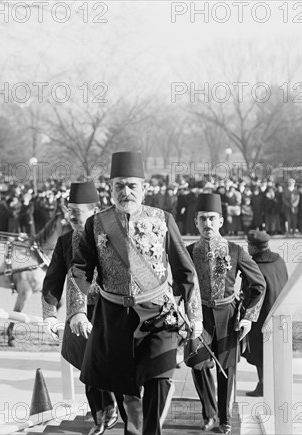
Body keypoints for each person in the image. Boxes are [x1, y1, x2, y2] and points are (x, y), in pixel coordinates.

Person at [71, 151, 203, 435]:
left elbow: (185, 271)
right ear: (111, 188)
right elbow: (80, 269)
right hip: (113, 316)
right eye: (119, 185)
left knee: (159, 377)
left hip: (158, 314)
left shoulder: (163, 219)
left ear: (144, 189)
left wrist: (195, 316)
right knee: (125, 388)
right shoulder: (95, 223)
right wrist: (78, 310)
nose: (126, 191)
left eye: (132, 185)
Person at [42, 182, 123, 435]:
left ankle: (120, 413)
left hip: (111, 310)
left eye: (77, 211)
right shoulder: (66, 241)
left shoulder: (114, 236)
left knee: (113, 365)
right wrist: (49, 315)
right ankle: (100, 416)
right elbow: (53, 280)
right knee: (87, 367)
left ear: (95, 209)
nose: (72, 216)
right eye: (69, 211)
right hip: (81, 314)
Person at [185, 193, 266, 434]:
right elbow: (181, 286)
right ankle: (208, 414)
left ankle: (225, 417)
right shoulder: (188, 251)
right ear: (196, 222)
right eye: (202, 219)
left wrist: (248, 318)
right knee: (197, 364)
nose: (207, 224)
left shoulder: (236, 250)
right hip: (199, 315)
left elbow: (258, 284)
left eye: (211, 218)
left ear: (221, 221)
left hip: (228, 315)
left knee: (226, 368)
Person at [242, 230, 288, 397]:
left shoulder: (254, 266)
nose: (247, 249)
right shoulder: (279, 260)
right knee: (274, 351)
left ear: (254, 248)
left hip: (260, 315)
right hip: (279, 312)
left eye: (248, 245)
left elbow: (250, 293)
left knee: (259, 351)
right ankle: (274, 385)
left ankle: (263, 385)